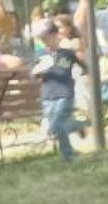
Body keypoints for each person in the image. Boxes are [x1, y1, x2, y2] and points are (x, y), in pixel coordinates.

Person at [30, 22, 82, 161]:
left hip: (65, 94)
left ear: (55, 35)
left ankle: (68, 154)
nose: (44, 41)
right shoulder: (40, 54)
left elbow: (83, 67)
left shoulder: (67, 54)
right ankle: (78, 125)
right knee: (55, 127)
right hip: (48, 95)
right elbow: (33, 74)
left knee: (56, 126)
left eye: (46, 37)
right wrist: (39, 72)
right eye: (41, 38)